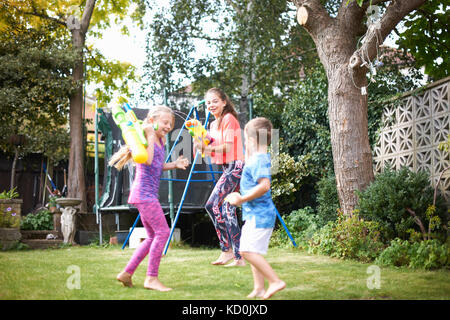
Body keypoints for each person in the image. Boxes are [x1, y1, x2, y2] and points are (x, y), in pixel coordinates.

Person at [112, 105, 189, 291]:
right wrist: (151, 135)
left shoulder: (159, 140)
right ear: (152, 121)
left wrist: (175, 164)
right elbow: (146, 160)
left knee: (152, 236)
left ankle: (127, 273)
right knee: (163, 233)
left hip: (145, 194)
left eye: (171, 123)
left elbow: (156, 165)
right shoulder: (147, 137)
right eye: (165, 122)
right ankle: (151, 278)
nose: (169, 126)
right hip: (144, 194)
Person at [226, 117, 286, 300]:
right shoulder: (258, 158)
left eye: (246, 138)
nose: (245, 142)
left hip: (259, 216)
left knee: (246, 251)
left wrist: (241, 199)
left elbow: (264, 185)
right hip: (256, 215)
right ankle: (259, 288)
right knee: (253, 251)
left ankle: (275, 281)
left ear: (251, 140)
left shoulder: (259, 159)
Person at [194, 88, 245, 267]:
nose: (211, 105)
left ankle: (227, 250)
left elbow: (228, 147)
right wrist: (199, 139)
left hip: (235, 166)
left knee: (212, 204)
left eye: (215, 101)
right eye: (208, 102)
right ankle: (238, 257)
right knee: (228, 210)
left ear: (224, 101)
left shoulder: (229, 119)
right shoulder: (214, 125)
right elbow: (211, 144)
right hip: (226, 168)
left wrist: (206, 148)